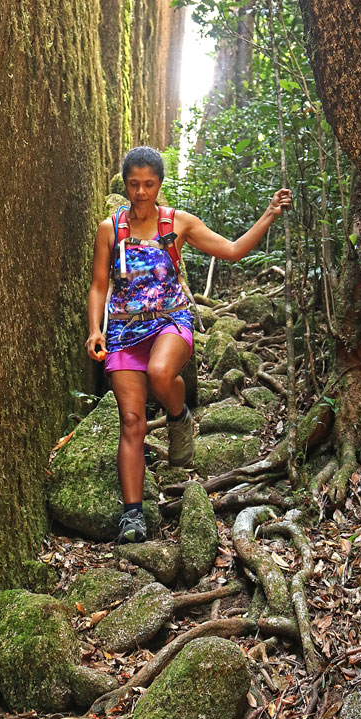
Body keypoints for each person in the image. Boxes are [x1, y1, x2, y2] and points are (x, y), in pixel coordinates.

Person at [85, 145, 292, 544]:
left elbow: (232, 250)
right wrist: (96, 330)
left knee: (161, 374)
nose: (141, 192)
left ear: (159, 184)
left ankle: (179, 416)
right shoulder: (110, 229)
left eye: (149, 184)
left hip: (170, 321)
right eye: (134, 184)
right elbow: (98, 286)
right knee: (131, 422)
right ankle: (133, 516)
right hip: (124, 332)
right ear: (126, 185)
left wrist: (269, 213)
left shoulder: (177, 224)